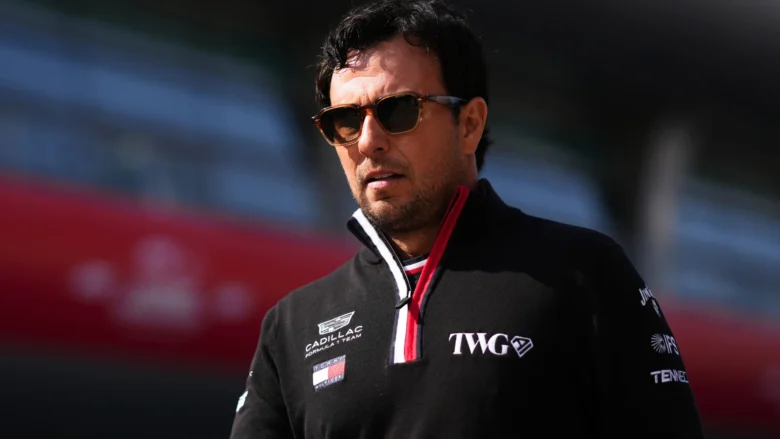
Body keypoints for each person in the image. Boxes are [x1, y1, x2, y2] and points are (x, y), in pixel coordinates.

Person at [230, 0, 705, 438]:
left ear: (470, 125)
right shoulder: (292, 326)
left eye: (398, 110)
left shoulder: (584, 273)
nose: (369, 141)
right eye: (346, 122)